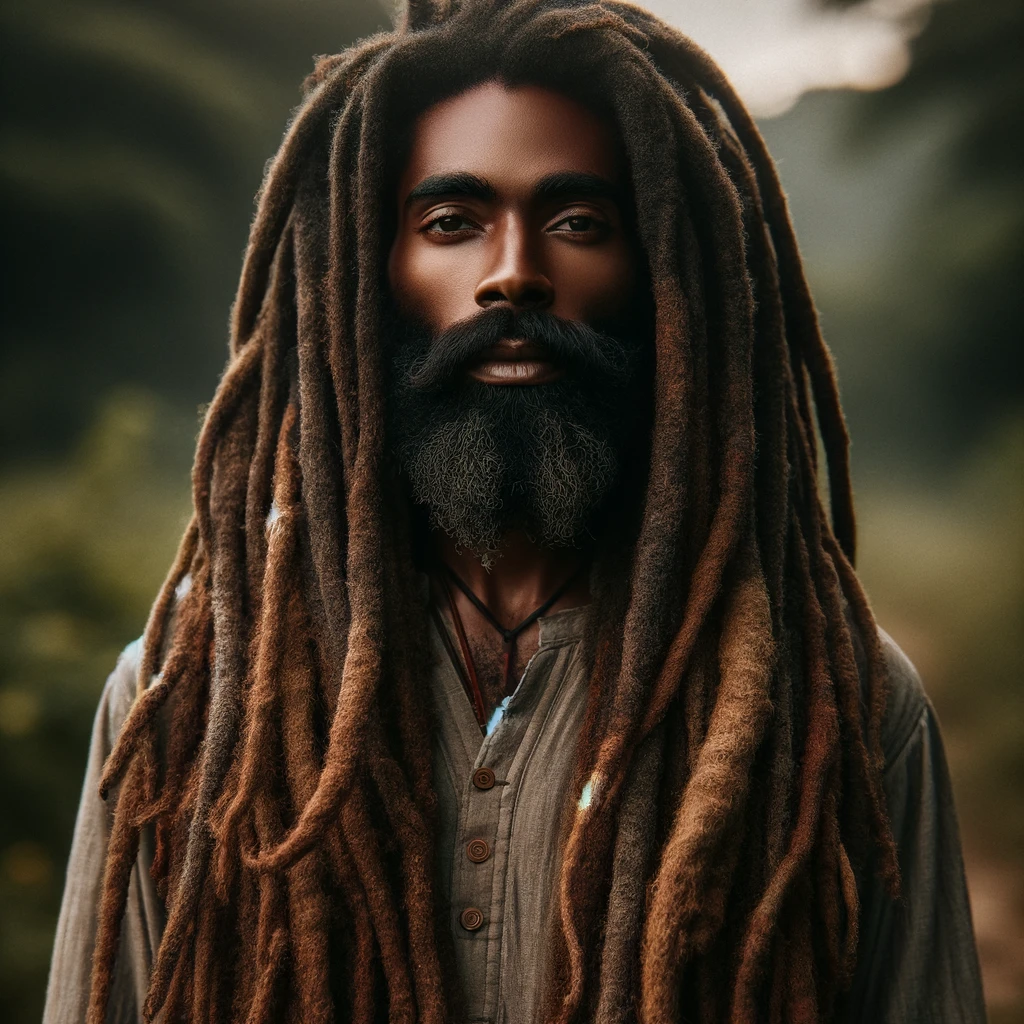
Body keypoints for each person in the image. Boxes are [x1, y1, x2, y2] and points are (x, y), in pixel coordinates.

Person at [44, 2, 986, 1022]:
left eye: (578, 222)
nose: (513, 274)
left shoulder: (841, 705)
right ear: (367, 275)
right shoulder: (190, 692)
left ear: (664, 276)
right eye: (451, 223)